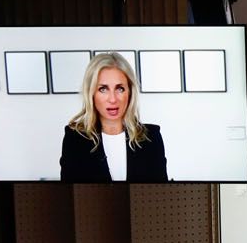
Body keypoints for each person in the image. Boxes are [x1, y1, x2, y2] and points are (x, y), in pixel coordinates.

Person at [59, 51, 168, 182]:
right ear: (91, 93)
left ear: (130, 92)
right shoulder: (75, 139)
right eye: (103, 89)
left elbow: (161, 194)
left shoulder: (151, 137)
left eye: (120, 89)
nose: (113, 99)